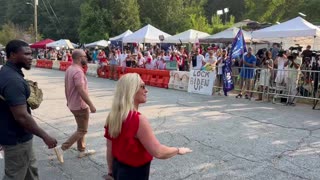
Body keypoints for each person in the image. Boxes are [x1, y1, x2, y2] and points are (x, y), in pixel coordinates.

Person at [104, 73, 192, 180]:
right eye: (142, 86)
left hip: (118, 168)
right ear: (131, 90)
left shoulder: (113, 115)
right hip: (134, 173)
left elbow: (110, 148)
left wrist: (110, 171)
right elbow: (158, 152)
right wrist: (177, 150)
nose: (146, 90)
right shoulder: (138, 119)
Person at [0, 40, 57, 179]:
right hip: (17, 140)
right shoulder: (13, 80)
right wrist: (45, 136)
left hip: (18, 137)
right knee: (15, 175)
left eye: (31, 53)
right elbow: (21, 116)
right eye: (26, 54)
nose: (31, 57)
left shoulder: (8, 72)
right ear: (12, 55)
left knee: (30, 172)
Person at [54, 49, 96, 163]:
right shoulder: (78, 71)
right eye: (85, 57)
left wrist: (68, 100)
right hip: (80, 105)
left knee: (80, 128)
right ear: (79, 58)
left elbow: (66, 86)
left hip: (73, 104)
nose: (86, 58)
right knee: (83, 130)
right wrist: (91, 105)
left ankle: (81, 150)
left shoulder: (70, 69)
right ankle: (62, 149)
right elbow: (81, 90)